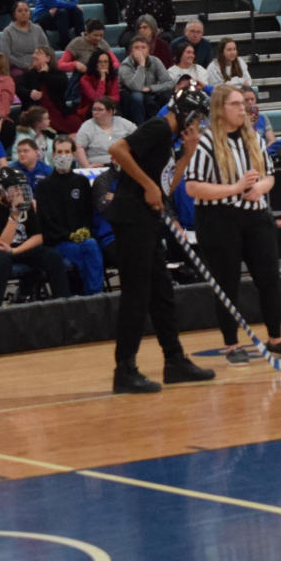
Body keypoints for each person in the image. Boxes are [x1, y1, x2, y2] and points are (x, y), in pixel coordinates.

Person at [185, 84, 281, 364]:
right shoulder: (207, 143)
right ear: (220, 109)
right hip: (218, 219)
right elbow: (192, 187)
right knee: (227, 284)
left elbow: (270, 176)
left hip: (255, 216)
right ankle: (232, 345)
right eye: (236, 104)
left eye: (244, 104)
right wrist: (235, 188)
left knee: (269, 279)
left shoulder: (252, 138)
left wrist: (260, 188)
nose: (243, 109)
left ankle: (275, 338)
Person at [108, 82, 216, 391]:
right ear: (187, 114)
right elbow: (117, 150)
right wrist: (146, 184)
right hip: (131, 220)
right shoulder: (157, 127)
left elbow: (166, 188)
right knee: (136, 296)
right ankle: (124, 369)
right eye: (198, 119)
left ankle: (175, 361)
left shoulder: (169, 141)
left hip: (148, 220)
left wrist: (187, 154)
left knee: (162, 293)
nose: (198, 126)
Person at [0, 165, 71, 309]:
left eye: (21, 188)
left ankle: (64, 306)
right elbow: (1, 245)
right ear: (1, 189)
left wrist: (16, 251)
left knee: (53, 256)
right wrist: (14, 215)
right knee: (2, 261)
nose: (20, 192)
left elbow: (38, 237)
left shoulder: (26, 204)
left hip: (19, 248)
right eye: (15, 188)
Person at [36, 136, 105, 295]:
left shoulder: (81, 182)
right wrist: (68, 235)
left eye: (67, 151)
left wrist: (85, 230)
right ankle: (86, 295)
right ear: (53, 155)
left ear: (74, 154)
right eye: (59, 152)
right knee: (83, 253)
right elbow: (45, 220)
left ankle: (95, 295)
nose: (63, 155)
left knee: (92, 245)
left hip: (82, 239)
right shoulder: (44, 186)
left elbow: (88, 212)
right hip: (58, 241)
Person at [119, 33, 171, 125]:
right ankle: (140, 126)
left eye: (143, 47)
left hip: (150, 92)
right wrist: (141, 64)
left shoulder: (155, 61)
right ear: (131, 51)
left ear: (149, 51)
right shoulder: (125, 65)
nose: (140, 51)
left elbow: (169, 83)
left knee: (167, 94)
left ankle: (166, 125)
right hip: (130, 94)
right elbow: (136, 87)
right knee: (137, 96)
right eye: (137, 48)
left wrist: (151, 88)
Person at [76, 95, 135, 168]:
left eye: (100, 109)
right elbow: (79, 147)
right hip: (97, 165)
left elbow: (138, 138)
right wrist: (87, 166)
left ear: (110, 111)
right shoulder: (87, 126)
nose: (95, 112)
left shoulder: (123, 123)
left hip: (122, 164)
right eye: (94, 109)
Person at [0, 1, 49, 82]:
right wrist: (25, 66)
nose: (23, 13)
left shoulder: (37, 29)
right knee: (23, 77)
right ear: (14, 14)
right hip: (17, 67)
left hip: (38, 64)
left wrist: (38, 63)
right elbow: (6, 55)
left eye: (26, 10)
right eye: (20, 11)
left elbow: (46, 48)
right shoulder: (7, 32)